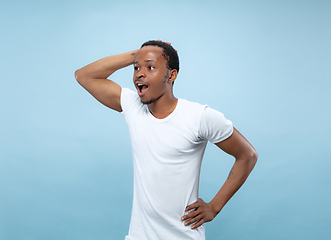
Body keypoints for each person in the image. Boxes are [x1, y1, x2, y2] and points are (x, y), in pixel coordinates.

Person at [75, 40, 258, 240]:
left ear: (171, 75)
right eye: (137, 68)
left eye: (150, 67)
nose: (139, 73)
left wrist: (214, 207)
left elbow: (247, 155)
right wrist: (137, 54)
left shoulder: (199, 117)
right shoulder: (133, 107)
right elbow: (84, 76)